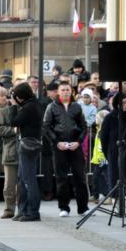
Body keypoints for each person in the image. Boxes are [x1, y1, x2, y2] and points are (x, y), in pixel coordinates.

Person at [43, 81, 89, 217]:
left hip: (75, 146)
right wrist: (57, 142)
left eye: (67, 90)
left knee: (80, 177)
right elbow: (46, 127)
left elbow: (84, 126)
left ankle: (83, 208)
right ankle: (64, 207)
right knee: (61, 178)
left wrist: (78, 142)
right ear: (58, 92)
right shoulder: (51, 107)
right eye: (62, 90)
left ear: (71, 91)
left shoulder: (77, 107)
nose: (65, 92)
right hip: (59, 147)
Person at [9, 82, 44, 221]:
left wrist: (13, 106)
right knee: (22, 179)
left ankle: (33, 212)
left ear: (20, 96)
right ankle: (23, 210)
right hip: (31, 143)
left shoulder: (29, 107)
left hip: (28, 145)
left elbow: (14, 121)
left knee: (28, 179)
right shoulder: (34, 104)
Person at [100, 93, 126, 195]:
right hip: (115, 153)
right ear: (116, 104)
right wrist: (108, 153)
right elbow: (104, 138)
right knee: (115, 178)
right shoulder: (109, 118)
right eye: (122, 103)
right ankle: (118, 203)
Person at [0, 89, 19, 218]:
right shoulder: (4, 112)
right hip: (10, 150)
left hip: (26, 150)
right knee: (9, 184)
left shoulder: (28, 111)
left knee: (24, 183)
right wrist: (13, 130)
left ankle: (24, 208)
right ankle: (9, 209)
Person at [89, 110, 110, 203]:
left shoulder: (103, 130)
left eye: (97, 118)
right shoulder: (99, 129)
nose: (95, 120)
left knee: (107, 178)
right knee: (96, 177)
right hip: (99, 158)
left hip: (103, 158)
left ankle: (109, 196)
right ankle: (95, 195)